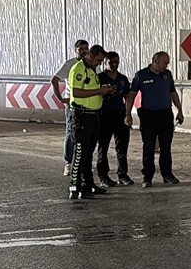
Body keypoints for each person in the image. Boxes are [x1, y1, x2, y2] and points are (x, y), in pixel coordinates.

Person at [124, 51, 184, 188]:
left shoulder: (167, 75)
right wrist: (128, 114)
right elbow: (131, 95)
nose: (166, 66)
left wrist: (179, 111)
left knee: (166, 146)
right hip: (148, 116)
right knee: (149, 146)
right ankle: (147, 176)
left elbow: (173, 93)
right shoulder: (141, 75)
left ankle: (167, 174)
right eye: (165, 63)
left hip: (165, 114)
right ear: (155, 62)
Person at [67, 45, 114, 199]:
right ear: (90, 56)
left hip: (94, 116)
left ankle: (88, 185)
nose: (99, 64)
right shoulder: (78, 68)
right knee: (80, 153)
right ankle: (74, 187)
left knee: (88, 154)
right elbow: (76, 92)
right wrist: (100, 91)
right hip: (82, 116)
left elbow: (91, 89)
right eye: (99, 60)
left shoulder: (93, 70)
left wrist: (104, 89)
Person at [51, 40, 89, 176]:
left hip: (88, 105)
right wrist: (61, 98)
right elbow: (54, 80)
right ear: (75, 50)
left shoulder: (92, 65)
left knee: (86, 135)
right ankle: (68, 163)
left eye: (86, 48)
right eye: (81, 49)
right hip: (73, 105)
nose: (84, 51)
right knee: (71, 133)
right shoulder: (70, 64)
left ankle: (83, 162)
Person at [96, 51, 132, 187]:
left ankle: (122, 174)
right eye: (111, 62)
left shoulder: (122, 79)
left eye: (116, 61)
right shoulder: (99, 78)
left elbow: (128, 96)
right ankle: (103, 175)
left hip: (120, 114)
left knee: (122, 147)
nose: (114, 64)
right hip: (104, 115)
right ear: (105, 63)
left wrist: (128, 114)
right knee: (103, 146)